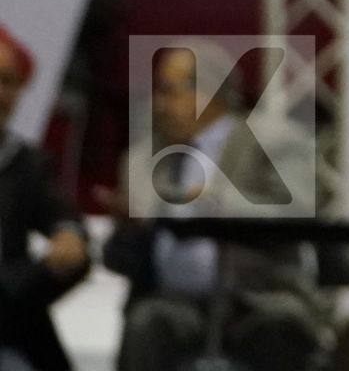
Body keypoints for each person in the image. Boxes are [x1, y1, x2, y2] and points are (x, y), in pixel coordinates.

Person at [101, 41, 327, 371]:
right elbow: (120, 260)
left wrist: (213, 202)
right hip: (173, 303)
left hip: (257, 299)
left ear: (208, 92)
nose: (159, 104)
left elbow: (300, 214)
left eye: (169, 91)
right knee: (147, 322)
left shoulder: (273, 139)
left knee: (282, 325)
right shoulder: (141, 162)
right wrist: (130, 231)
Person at [0, 25, 90, 371]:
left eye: (10, 83)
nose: (1, 93)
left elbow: (62, 216)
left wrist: (69, 236)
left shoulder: (25, 163)